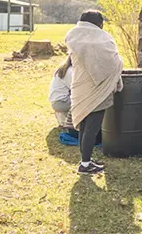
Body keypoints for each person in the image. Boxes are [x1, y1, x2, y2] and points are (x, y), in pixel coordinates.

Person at [65, 10, 123, 175]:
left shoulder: (73, 36)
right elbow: (112, 62)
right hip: (97, 89)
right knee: (92, 127)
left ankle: (85, 160)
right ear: (99, 23)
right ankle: (85, 164)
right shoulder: (101, 39)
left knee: (84, 126)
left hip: (79, 86)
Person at [50, 56, 75, 135]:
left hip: (57, 101)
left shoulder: (64, 68)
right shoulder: (70, 72)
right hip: (61, 102)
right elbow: (77, 89)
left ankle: (63, 118)